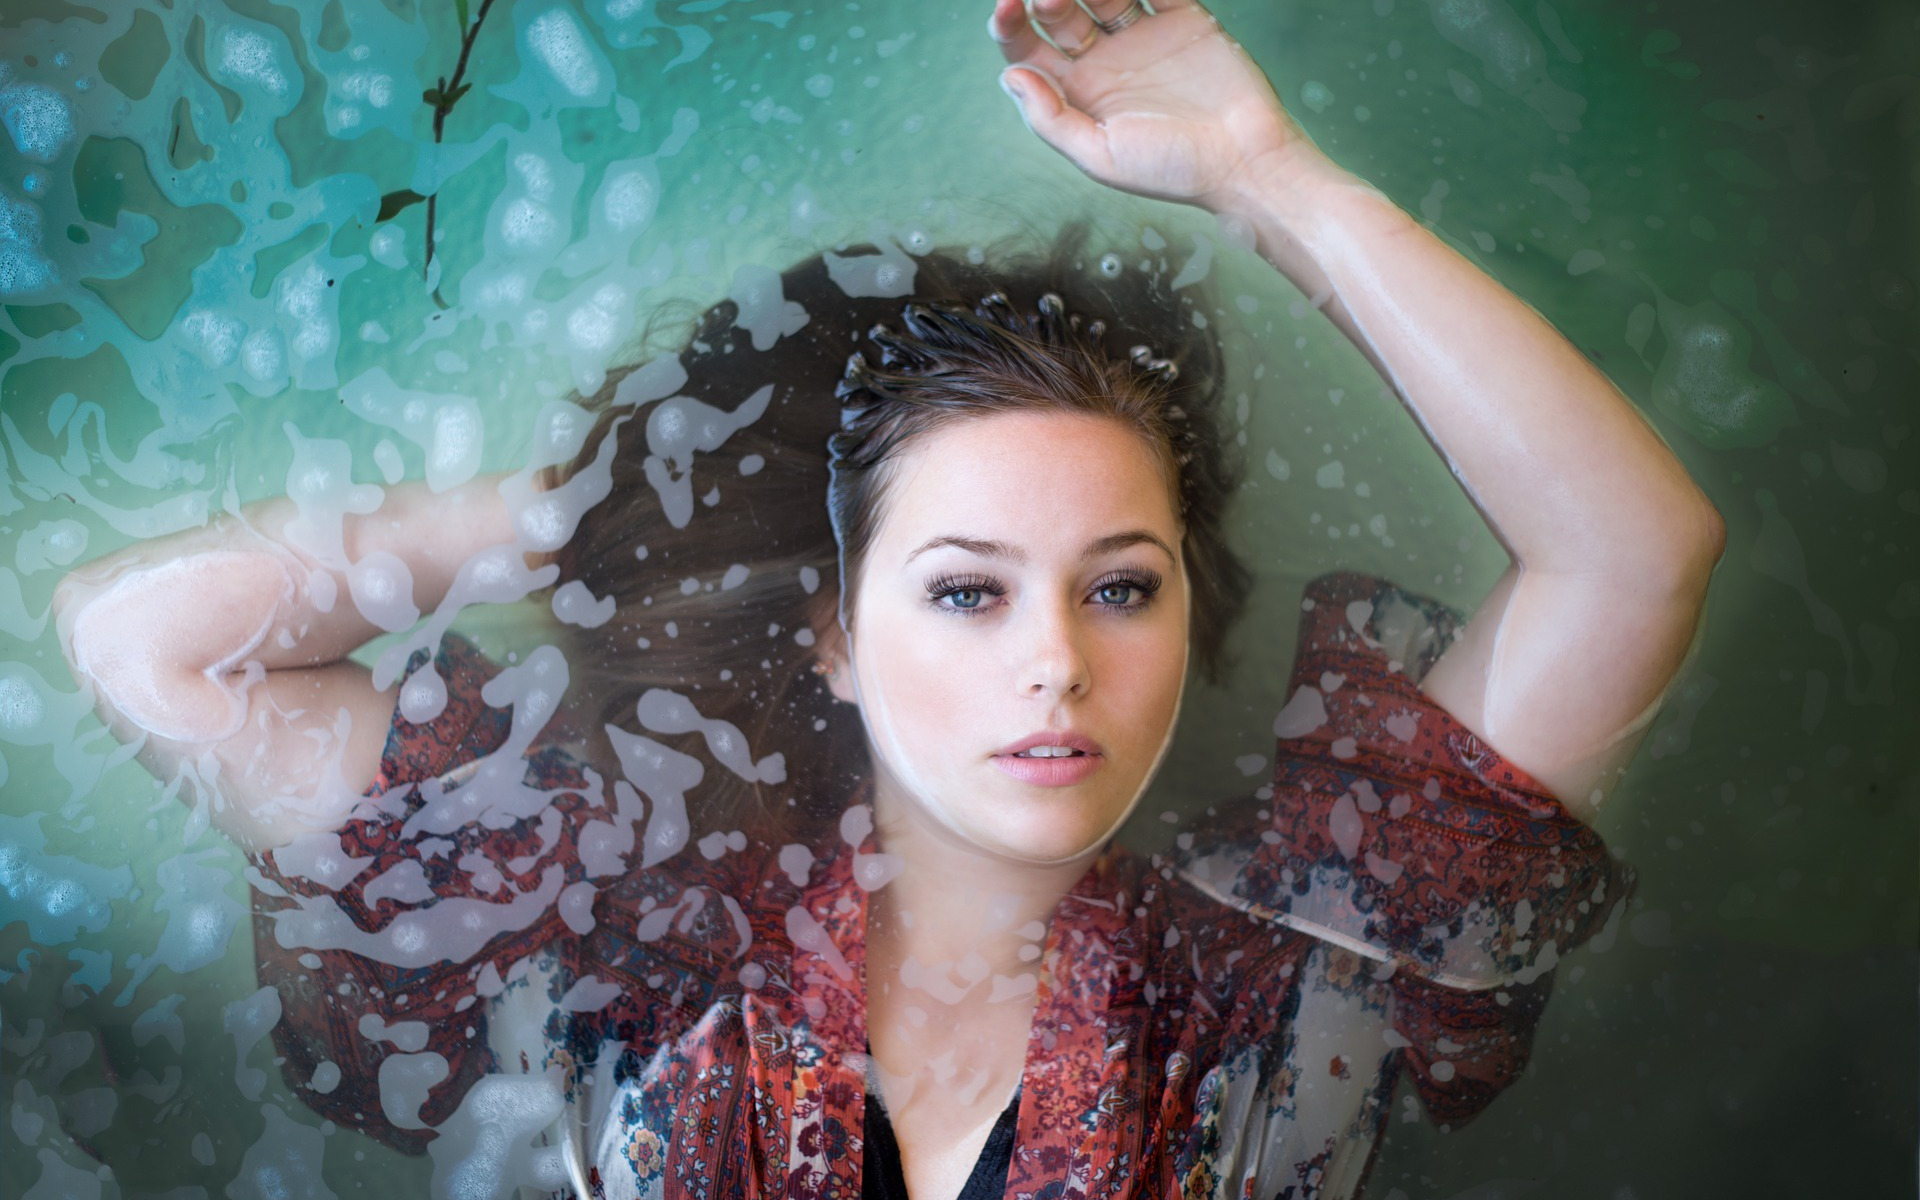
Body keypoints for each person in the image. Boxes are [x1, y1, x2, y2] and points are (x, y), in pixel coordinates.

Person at [52, 0, 1725, 1197]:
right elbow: (150, 647)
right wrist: (625, 505)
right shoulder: (621, 929)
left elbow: (1632, 554)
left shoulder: (1294, 971)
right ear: (837, 635)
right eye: (966, 593)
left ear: (1189, 625)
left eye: (1120, 588)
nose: (1057, 666)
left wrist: (1272, 176)